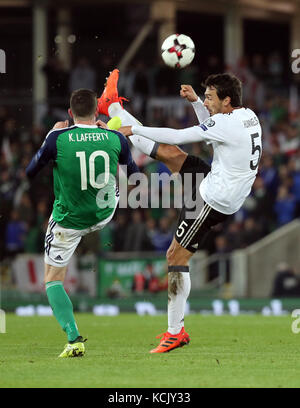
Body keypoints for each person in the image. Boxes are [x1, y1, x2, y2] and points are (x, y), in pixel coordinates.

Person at [97, 69, 262, 353]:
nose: (207, 101)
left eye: (210, 97)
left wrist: (133, 129)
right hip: (217, 180)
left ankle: (176, 332)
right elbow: (213, 128)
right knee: (168, 153)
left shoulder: (227, 123)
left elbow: (181, 134)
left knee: (175, 255)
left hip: (212, 200)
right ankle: (112, 106)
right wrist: (197, 102)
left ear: (226, 100)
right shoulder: (247, 116)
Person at [26, 88, 139, 357]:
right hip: (104, 213)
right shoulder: (114, 138)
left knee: (53, 280)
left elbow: (31, 172)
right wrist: (113, 136)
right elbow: (135, 175)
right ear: (98, 112)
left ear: (69, 113)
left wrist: (48, 139)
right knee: (113, 183)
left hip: (69, 221)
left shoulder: (57, 137)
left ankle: (74, 338)